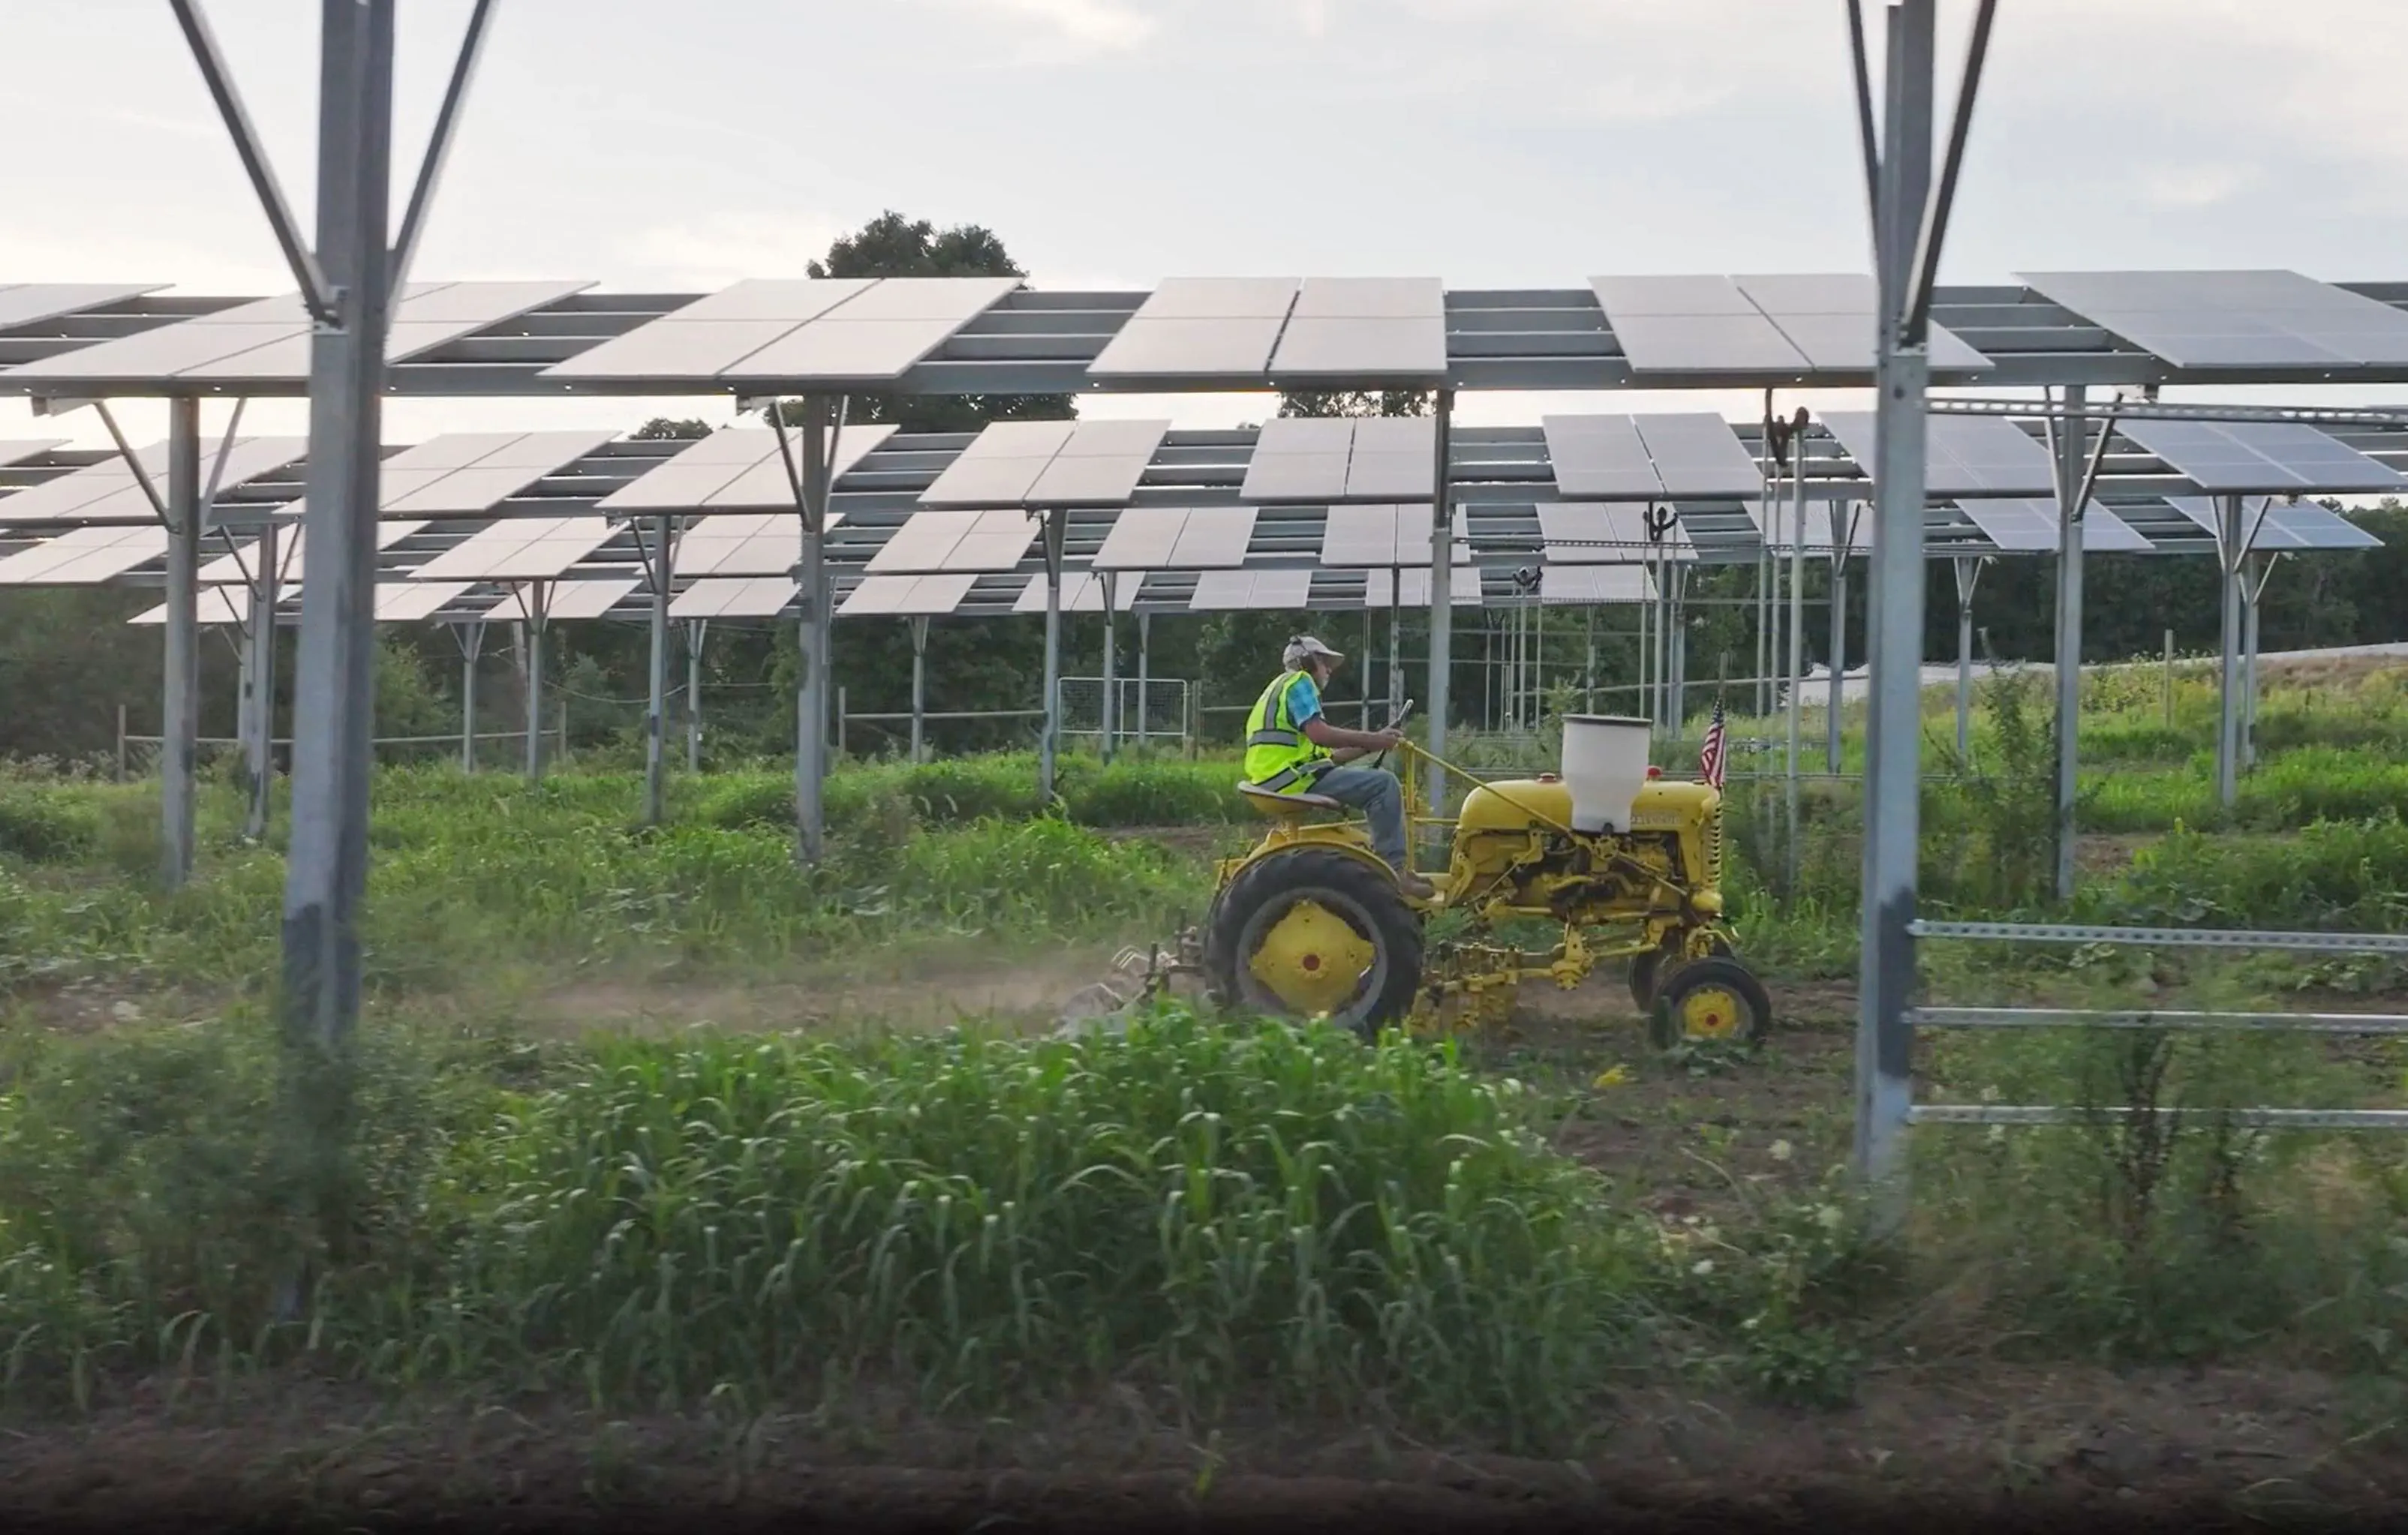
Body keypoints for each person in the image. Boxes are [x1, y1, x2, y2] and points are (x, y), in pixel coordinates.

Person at [1241, 634, 1433, 900]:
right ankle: (1394, 872)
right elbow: (1320, 734)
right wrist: (1374, 738)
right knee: (1384, 784)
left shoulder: (1275, 690)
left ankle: (1392, 868)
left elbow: (1327, 757)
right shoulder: (1301, 682)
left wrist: (1375, 742)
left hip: (1279, 777)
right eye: (1324, 662)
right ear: (1307, 662)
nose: (1329, 669)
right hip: (1291, 779)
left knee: (1376, 781)